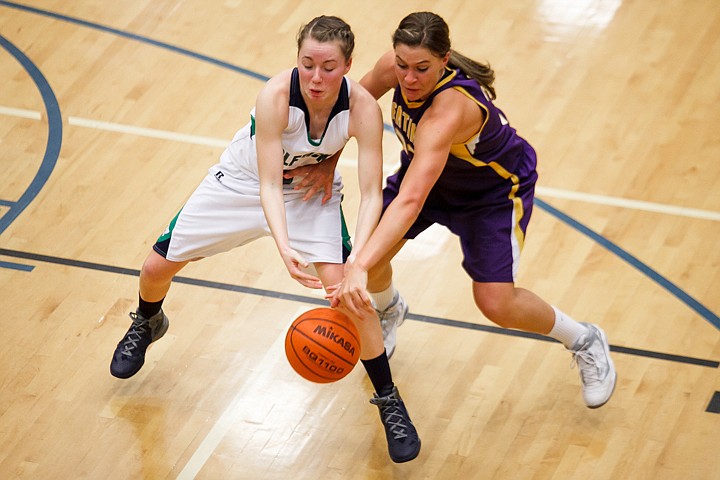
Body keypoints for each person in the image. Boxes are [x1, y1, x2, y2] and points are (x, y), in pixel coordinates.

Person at [108, 16, 420, 463]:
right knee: (156, 268)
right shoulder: (276, 96)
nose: (316, 77)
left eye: (329, 67)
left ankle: (389, 399)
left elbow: (372, 194)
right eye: (307, 63)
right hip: (243, 181)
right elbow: (269, 186)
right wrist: (285, 249)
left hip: (310, 195)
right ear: (297, 60)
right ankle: (147, 321)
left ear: (348, 65)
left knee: (353, 297)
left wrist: (359, 265)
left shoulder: (363, 108)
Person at [330, 11, 617, 409]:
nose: (408, 79)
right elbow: (348, 114)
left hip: (491, 195)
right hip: (430, 179)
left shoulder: (449, 111)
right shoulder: (391, 68)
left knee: (496, 303)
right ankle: (390, 308)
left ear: (444, 60)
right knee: (368, 258)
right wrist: (323, 162)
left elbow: (411, 201)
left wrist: (357, 266)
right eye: (402, 65)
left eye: (421, 68)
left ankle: (584, 338)